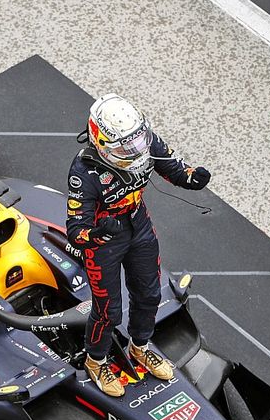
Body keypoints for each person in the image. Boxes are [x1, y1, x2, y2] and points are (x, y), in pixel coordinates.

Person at [66, 94, 210, 397]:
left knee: (150, 293)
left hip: (138, 224)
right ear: (101, 142)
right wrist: (97, 233)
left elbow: (173, 167)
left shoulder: (143, 141)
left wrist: (192, 178)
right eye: (125, 147)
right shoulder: (84, 171)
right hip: (104, 240)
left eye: (137, 141)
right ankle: (96, 361)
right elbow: (76, 231)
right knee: (108, 311)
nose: (135, 151)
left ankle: (140, 346)